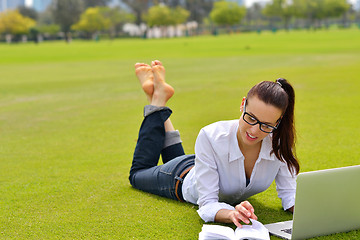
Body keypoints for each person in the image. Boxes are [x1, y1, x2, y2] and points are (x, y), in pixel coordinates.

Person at [129, 60, 299, 228]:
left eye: (267, 125)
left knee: (182, 161)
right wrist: (231, 213)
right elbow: (207, 204)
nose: (255, 131)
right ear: (242, 104)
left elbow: (290, 194)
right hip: (180, 178)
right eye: (251, 118)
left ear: (278, 122)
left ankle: (158, 97)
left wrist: (311, 209)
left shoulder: (279, 143)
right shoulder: (211, 136)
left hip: (202, 167)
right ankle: (157, 100)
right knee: (137, 174)